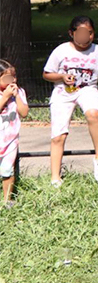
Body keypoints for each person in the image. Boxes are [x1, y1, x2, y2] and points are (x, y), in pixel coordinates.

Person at [43, 16, 98, 186]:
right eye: (81, 32)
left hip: (87, 89)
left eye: (89, 33)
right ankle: (55, 177)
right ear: (71, 33)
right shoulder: (61, 50)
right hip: (63, 92)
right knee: (59, 135)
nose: (85, 37)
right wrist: (61, 76)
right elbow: (46, 74)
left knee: (92, 114)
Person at [0, 60, 29, 206]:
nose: (13, 81)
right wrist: (5, 97)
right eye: (7, 78)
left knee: (7, 170)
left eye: (14, 77)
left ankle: (7, 200)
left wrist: (16, 96)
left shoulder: (19, 92)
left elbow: (24, 113)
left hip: (10, 140)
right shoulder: (3, 95)